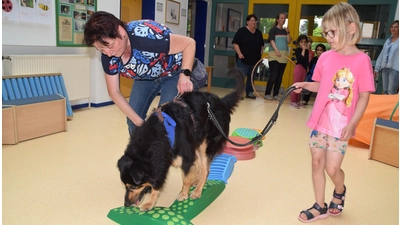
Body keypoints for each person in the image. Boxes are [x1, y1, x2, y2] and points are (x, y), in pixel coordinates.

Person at [292, 2, 375, 223]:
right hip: (319, 123)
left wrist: (353, 123)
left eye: (332, 32)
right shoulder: (325, 57)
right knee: (317, 163)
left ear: (350, 28)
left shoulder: (362, 60)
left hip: (341, 127)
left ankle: (339, 190)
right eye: (325, 32)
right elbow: (322, 85)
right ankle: (320, 205)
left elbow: (365, 95)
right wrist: (306, 85)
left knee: (332, 168)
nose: (327, 37)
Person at [83, 11, 196, 134]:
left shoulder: (148, 36)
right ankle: (142, 152)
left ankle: (165, 152)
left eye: (110, 46)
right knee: (133, 121)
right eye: (101, 50)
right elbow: (114, 91)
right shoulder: (108, 56)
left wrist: (184, 76)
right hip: (145, 78)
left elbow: (189, 43)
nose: (108, 53)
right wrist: (140, 124)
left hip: (172, 74)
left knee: (165, 121)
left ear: (120, 31)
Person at [232, 14, 264, 99]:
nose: (253, 22)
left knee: (251, 77)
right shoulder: (242, 31)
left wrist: (260, 55)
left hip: (254, 60)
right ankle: (238, 93)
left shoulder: (258, 33)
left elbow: (261, 46)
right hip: (243, 59)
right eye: (252, 20)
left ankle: (249, 92)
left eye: (255, 21)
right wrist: (239, 53)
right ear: (247, 22)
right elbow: (235, 43)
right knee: (241, 77)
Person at [264, 13, 292, 101]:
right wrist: (276, 51)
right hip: (274, 56)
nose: (283, 20)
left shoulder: (284, 31)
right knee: (274, 75)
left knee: (279, 77)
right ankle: (267, 93)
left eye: (284, 18)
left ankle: (276, 94)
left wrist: (288, 33)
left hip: (283, 56)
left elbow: (289, 41)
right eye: (281, 18)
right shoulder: (273, 30)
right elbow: (271, 41)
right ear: (277, 19)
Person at [374, 20, 399, 94]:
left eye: (396, 27)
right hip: (385, 68)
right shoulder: (388, 41)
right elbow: (382, 54)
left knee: (391, 91)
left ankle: (391, 106)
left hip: (395, 68)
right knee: (385, 90)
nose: (393, 29)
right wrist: (377, 68)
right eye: (392, 27)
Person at [289, 35, 309, 108]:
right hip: (299, 67)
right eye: (301, 42)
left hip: (304, 68)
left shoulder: (307, 51)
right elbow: (300, 59)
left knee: (301, 85)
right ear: (299, 43)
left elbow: (306, 60)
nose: (303, 44)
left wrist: (307, 67)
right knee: (296, 84)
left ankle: (297, 100)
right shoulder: (298, 50)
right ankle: (293, 101)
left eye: (305, 42)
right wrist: (303, 50)